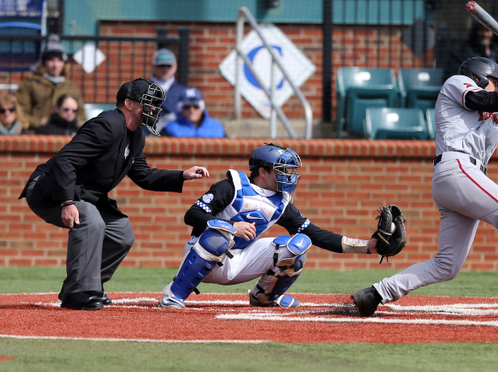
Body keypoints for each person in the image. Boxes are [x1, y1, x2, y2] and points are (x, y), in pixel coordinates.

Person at [19, 78, 209, 311]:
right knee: (90, 219)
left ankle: (91, 285)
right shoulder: (106, 125)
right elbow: (64, 161)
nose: (154, 110)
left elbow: (144, 176)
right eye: (149, 103)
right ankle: (78, 292)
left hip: (82, 195)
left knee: (122, 233)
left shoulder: (136, 134)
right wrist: (66, 201)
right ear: (129, 104)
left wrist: (182, 175)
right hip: (48, 191)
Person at [352, 57, 498, 316]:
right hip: (457, 168)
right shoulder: (457, 83)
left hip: (466, 181)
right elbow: (480, 100)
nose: (496, 88)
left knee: (447, 265)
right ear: (481, 77)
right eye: (495, 83)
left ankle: (375, 294)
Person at [157, 143, 378, 309]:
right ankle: (175, 294)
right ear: (263, 171)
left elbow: (316, 234)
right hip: (203, 254)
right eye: (281, 170)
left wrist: (368, 246)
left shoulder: (281, 203)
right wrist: (232, 226)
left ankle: (265, 296)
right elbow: (192, 215)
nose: (288, 176)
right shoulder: (230, 187)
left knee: (296, 246)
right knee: (220, 235)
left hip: (239, 260)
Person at [16, 34, 86, 132]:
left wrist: (70, 121)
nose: (55, 65)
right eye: (51, 60)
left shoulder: (71, 87)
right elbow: (20, 113)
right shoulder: (30, 84)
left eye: (59, 60)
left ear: (64, 63)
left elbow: (81, 115)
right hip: (37, 135)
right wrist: (40, 122)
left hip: (65, 135)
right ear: (44, 62)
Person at [144, 48, 187, 135]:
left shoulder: (184, 91)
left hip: (175, 137)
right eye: (161, 66)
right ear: (153, 66)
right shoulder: (142, 88)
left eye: (168, 65)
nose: (165, 69)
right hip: (146, 136)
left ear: (175, 67)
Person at [160, 88, 226, 138]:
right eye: (187, 107)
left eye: (196, 106)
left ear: (201, 108)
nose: (192, 110)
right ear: (181, 109)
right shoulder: (170, 128)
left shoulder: (217, 127)